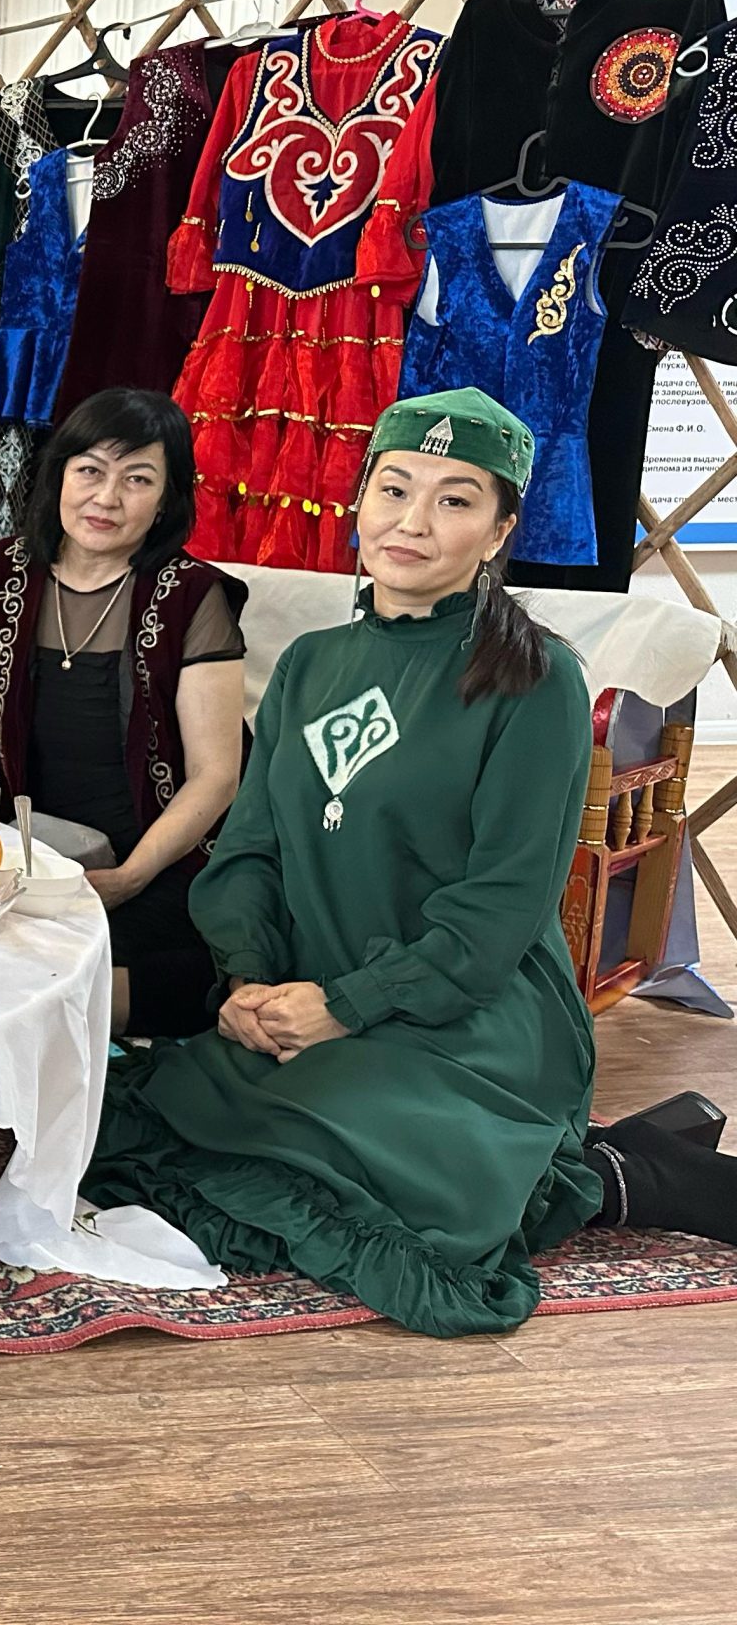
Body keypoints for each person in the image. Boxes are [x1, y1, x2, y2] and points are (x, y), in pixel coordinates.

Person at [83, 388, 737, 1338]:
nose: (412, 522)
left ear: (500, 529)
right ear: (359, 500)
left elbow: (501, 908)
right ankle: (576, 1158)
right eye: (393, 489)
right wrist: (251, 981)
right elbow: (253, 850)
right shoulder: (308, 665)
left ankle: (617, 1176)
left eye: (454, 499)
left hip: (468, 1015)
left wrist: (347, 1006)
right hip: (306, 995)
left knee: (372, 1174)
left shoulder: (536, 679)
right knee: (133, 1123)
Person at [0, 389, 247, 1038]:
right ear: (59, 474)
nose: (107, 498)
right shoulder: (5, 571)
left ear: (167, 499)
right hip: (29, 847)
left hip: (156, 858)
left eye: (138, 479)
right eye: (90, 470)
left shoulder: (193, 596)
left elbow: (216, 776)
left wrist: (127, 878)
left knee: (166, 970)